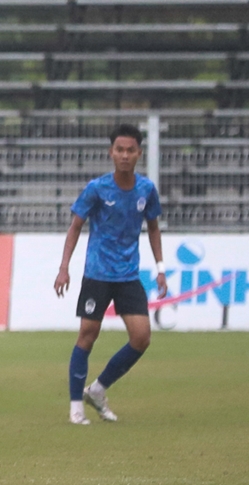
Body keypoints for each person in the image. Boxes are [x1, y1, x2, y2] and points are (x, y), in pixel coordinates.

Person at [54, 123, 169, 425]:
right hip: (98, 274)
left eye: (131, 150)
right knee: (87, 336)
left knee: (142, 337)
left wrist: (160, 268)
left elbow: (154, 228)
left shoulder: (146, 189)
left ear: (139, 153)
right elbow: (75, 227)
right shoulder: (97, 188)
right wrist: (64, 267)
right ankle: (76, 404)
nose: (125, 155)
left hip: (128, 276)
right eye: (120, 149)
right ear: (111, 152)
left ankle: (98, 389)